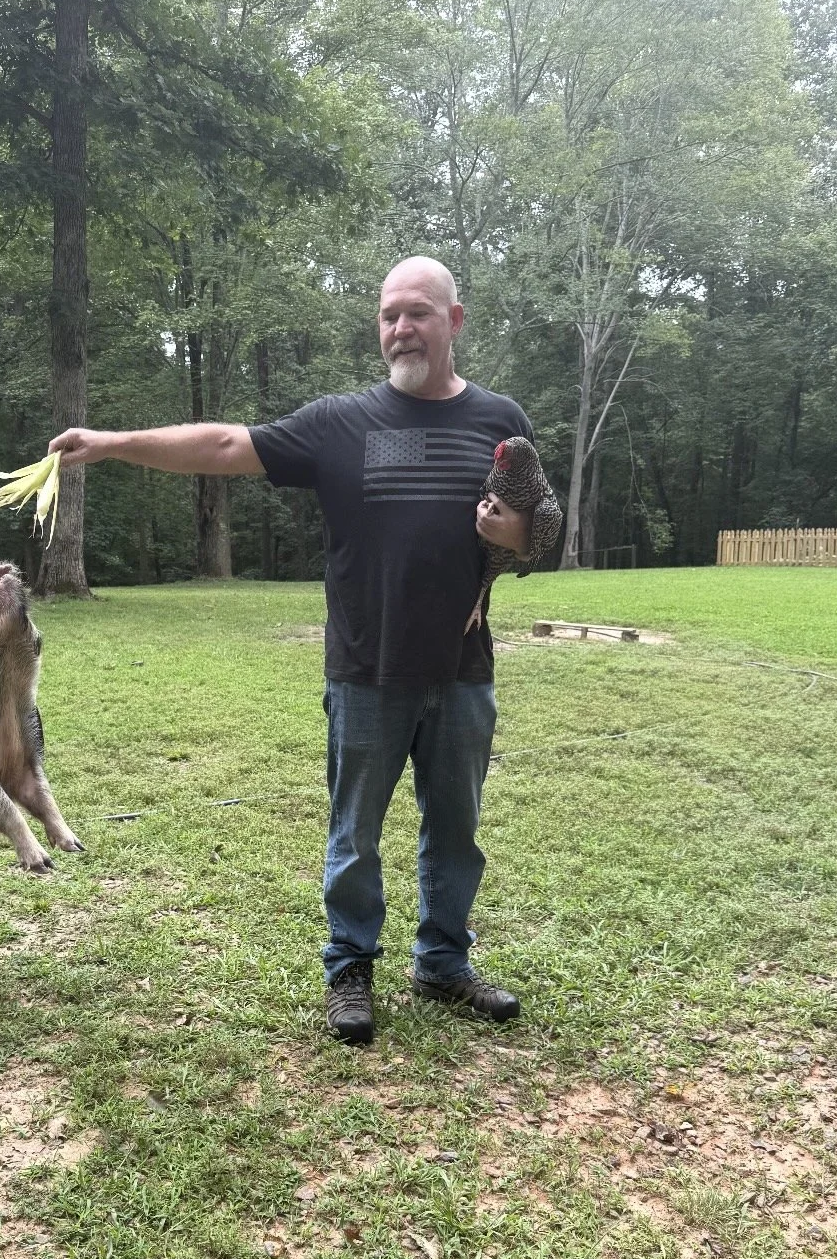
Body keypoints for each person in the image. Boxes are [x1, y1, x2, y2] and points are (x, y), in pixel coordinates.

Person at [48, 256, 550, 1046]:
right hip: (363, 670)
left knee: (456, 828)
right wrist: (113, 442)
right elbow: (220, 444)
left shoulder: (500, 421)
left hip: (462, 671)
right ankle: (349, 967)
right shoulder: (340, 423)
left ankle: (443, 962)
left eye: (418, 312)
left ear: (454, 320)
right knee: (355, 831)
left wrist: (511, 534)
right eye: (388, 314)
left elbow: (538, 534)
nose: (400, 328)